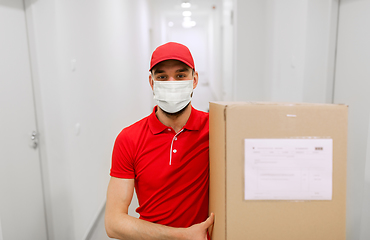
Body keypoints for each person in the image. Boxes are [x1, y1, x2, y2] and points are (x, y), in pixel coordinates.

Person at [105, 42, 214, 240]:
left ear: (194, 79)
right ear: (152, 82)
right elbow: (113, 223)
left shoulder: (214, 130)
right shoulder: (129, 139)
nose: (172, 82)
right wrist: (182, 236)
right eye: (162, 76)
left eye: (180, 75)